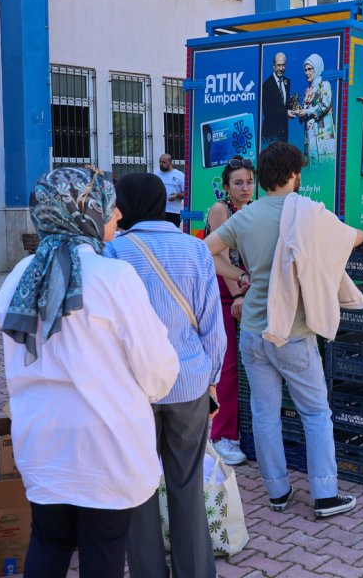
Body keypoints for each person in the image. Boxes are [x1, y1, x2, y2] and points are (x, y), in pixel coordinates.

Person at [0, 167, 180, 578]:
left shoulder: (16, 280)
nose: (116, 215)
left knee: (48, 541)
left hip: (42, 441)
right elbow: (157, 369)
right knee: (104, 552)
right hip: (106, 446)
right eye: (107, 206)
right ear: (85, 212)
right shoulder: (114, 277)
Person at [205, 142, 363, 519]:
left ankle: (277, 491)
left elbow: (205, 251)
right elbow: (353, 237)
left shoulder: (246, 215)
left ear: (260, 177)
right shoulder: (309, 213)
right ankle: (325, 494)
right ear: (294, 174)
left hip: (253, 333)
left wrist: (240, 275)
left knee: (264, 414)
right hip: (292, 331)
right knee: (315, 413)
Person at [105, 173, 225, 578]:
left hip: (134, 387)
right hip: (189, 382)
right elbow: (212, 325)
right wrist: (211, 380)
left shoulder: (113, 253)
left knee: (138, 490)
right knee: (187, 485)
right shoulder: (195, 249)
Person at [204, 156, 255, 466]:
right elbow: (219, 258)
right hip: (226, 292)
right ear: (226, 187)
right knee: (228, 366)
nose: (245, 187)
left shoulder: (251, 208)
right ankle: (222, 436)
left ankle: (237, 431)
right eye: (238, 182)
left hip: (246, 289)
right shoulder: (221, 209)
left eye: (249, 182)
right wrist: (239, 292)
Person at [291, 54, 336, 161]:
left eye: (310, 69)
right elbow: (307, 112)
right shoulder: (308, 90)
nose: (307, 73)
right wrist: (299, 111)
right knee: (312, 166)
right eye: (305, 70)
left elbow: (325, 105)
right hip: (310, 137)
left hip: (323, 135)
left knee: (325, 166)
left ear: (317, 67)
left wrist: (307, 111)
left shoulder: (324, 85)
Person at [261, 52, 292, 146]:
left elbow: (283, 105)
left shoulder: (287, 82)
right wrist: (286, 113)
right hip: (270, 135)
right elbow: (268, 112)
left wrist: (293, 107)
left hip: (283, 133)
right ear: (273, 66)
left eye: (283, 65)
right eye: (278, 65)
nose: (281, 68)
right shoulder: (266, 85)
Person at [157, 154, 187, 227]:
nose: (161, 164)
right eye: (160, 162)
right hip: (158, 212)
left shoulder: (180, 175)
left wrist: (177, 195)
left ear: (170, 163)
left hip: (174, 212)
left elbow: (186, 194)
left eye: (163, 162)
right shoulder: (156, 174)